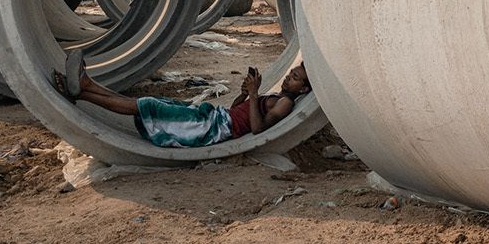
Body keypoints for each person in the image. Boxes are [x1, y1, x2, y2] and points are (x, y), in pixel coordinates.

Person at [53, 63, 311, 149]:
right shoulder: (276, 95)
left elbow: (258, 128)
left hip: (209, 128)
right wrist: (244, 94)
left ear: (304, 89)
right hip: (214, 116)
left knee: (147, 105)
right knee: (154, 103)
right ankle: (84, 88)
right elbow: (237, 111)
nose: (289, 77)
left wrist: (254, 95)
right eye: (291, 73)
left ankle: (83, 89)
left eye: (296, 78)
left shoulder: (285, 103)